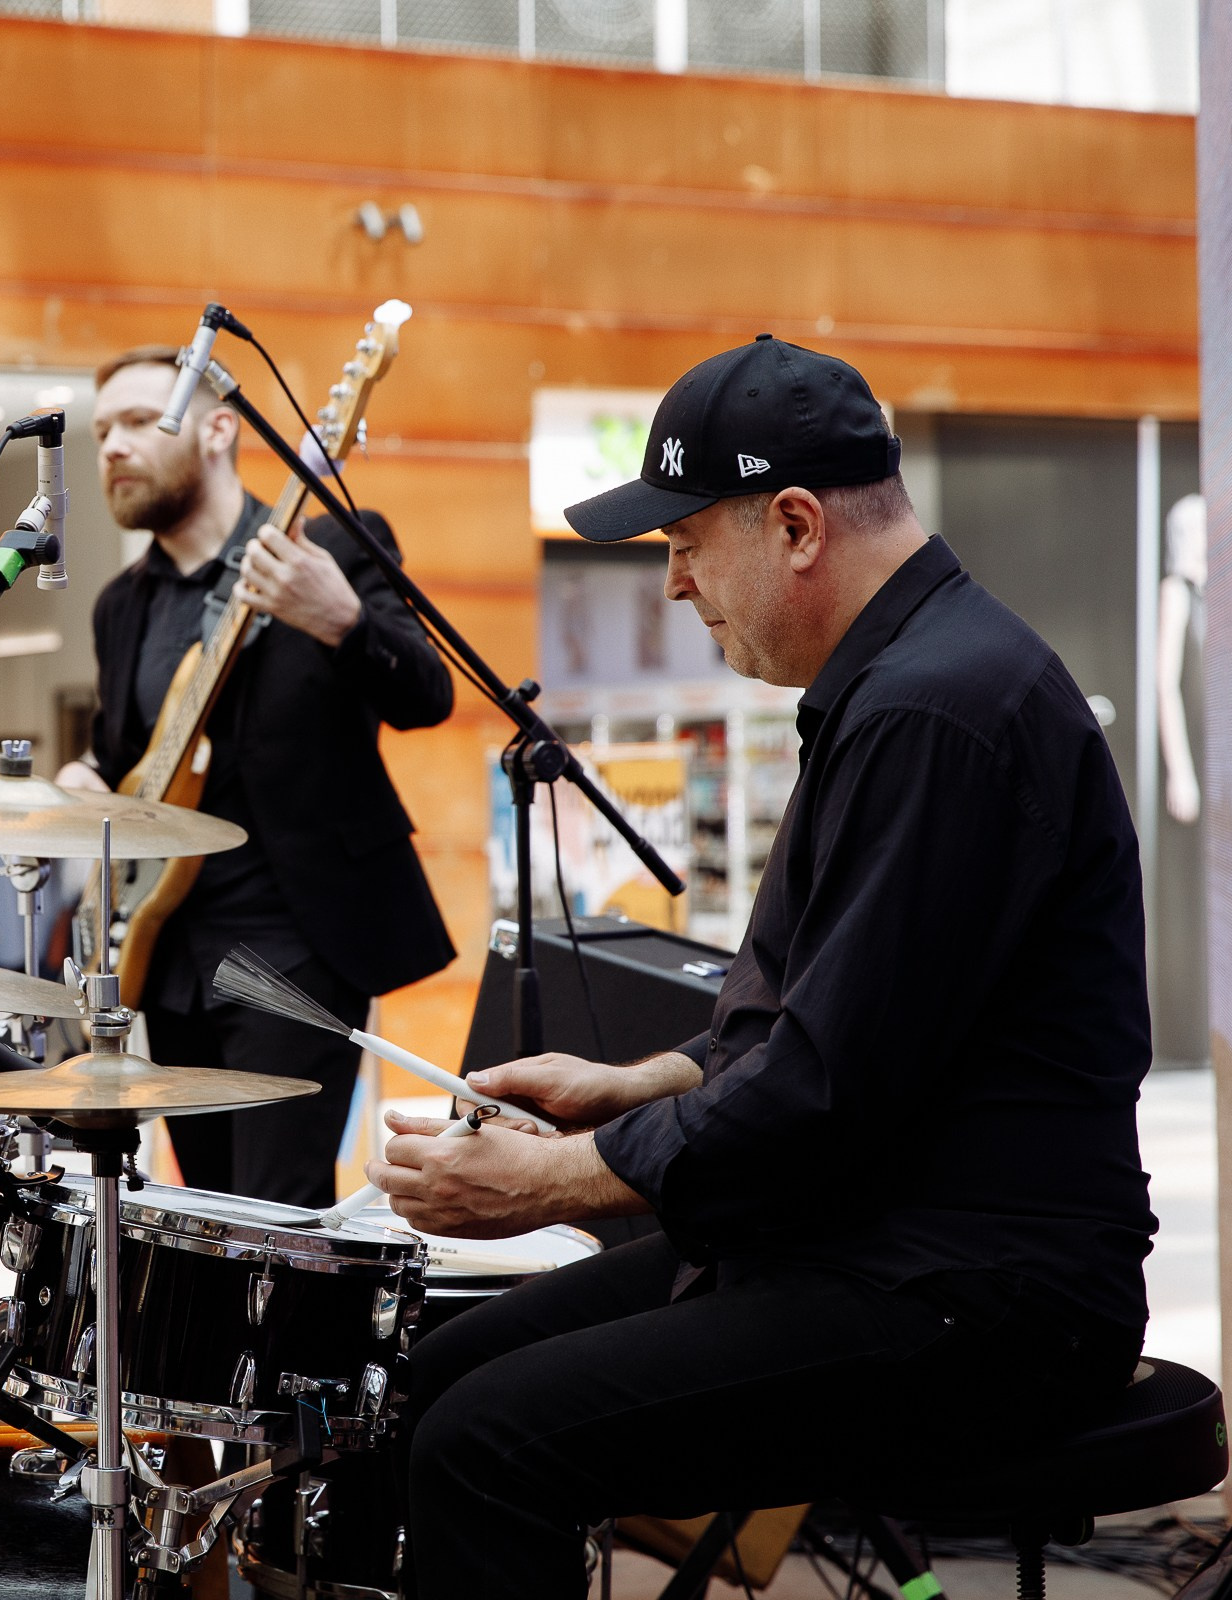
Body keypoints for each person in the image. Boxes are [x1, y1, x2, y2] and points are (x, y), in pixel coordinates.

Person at [370, 336, 1157, 1599]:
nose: (674, 582)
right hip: (875, 1236)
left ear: (795, 525)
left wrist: (554, 1181)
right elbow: (810, 1019)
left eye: (685, 541)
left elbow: (821, 1093)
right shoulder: (901, 680)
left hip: (981, 1293)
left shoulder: (935, 709)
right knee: (433, 1376)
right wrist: (627, 1088)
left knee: (481, 1444)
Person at [58, 345, 456, 1208]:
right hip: (167, 944)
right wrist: (82, 779)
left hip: (295, 941)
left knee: (278, 1211)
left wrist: (343, 621)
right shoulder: (121, 604)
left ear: (219, 430)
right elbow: (120, 754)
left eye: (140, 421)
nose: (113, 446)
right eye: (102, 431)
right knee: (203, 1217)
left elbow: (429, 695)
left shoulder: (332, 545)